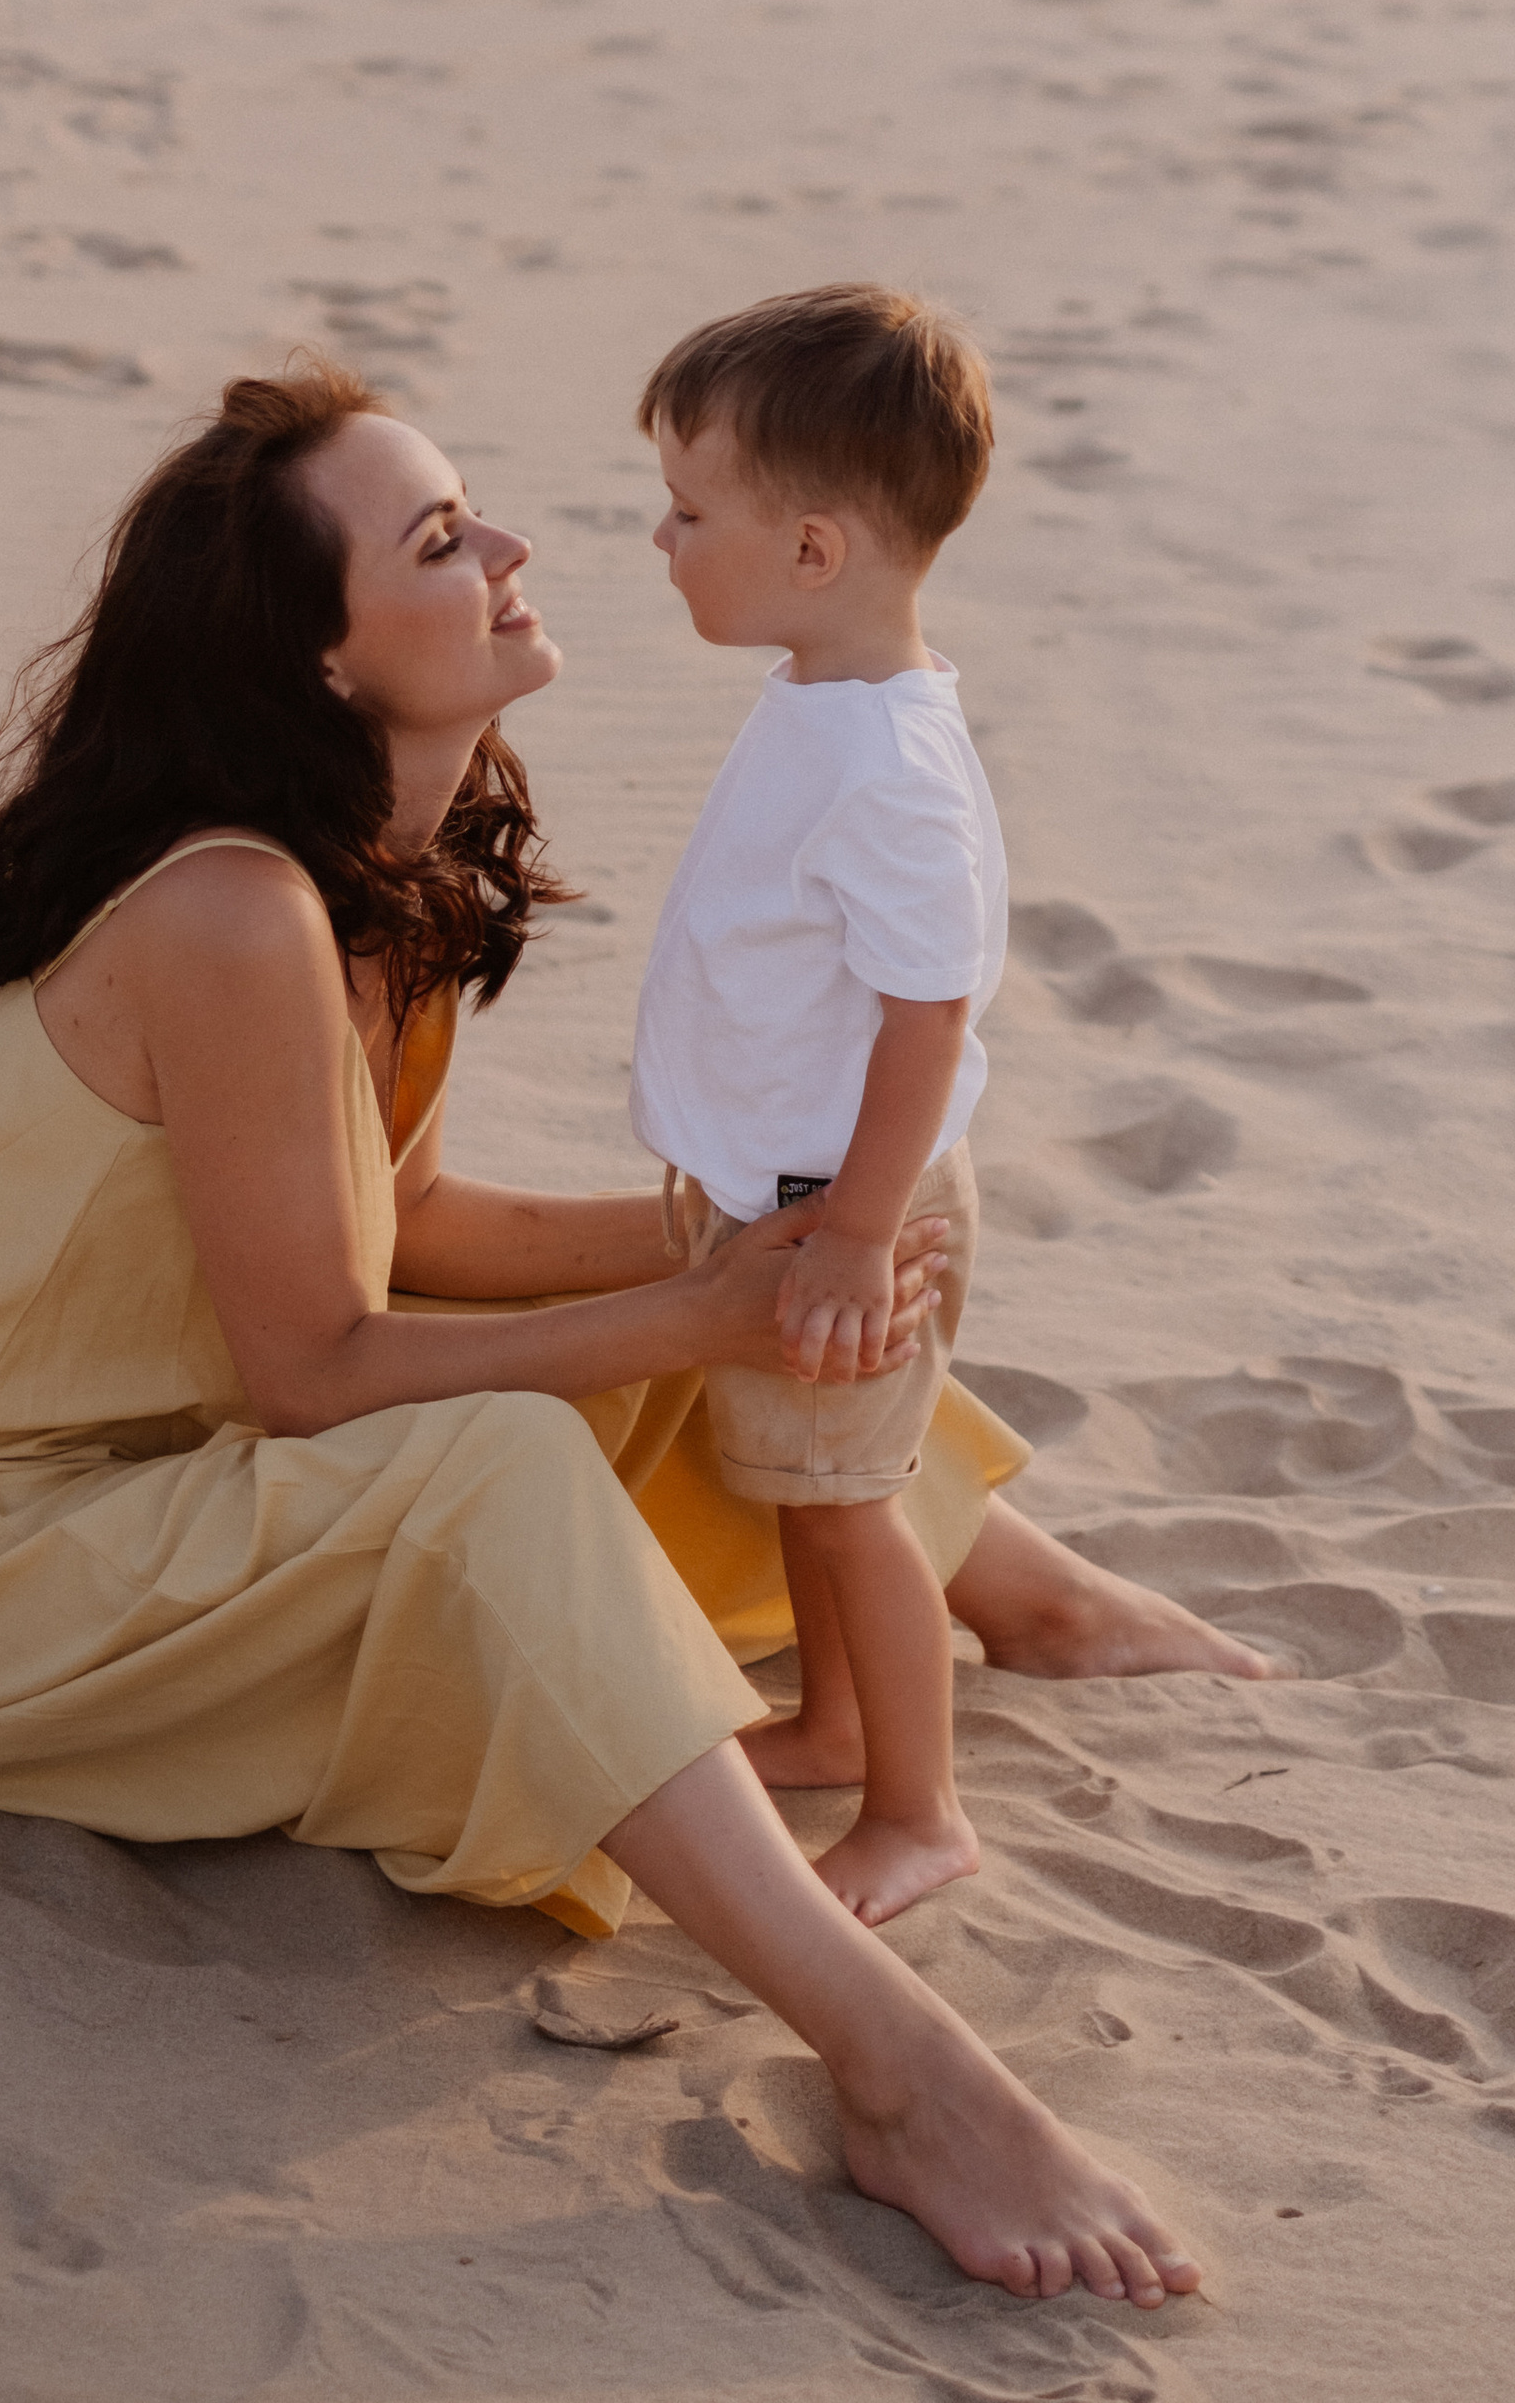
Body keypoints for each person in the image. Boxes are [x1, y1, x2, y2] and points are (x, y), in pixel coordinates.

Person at [0, 360, 1256, 2303]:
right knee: (518, 1442)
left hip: (155, 1466)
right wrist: (691, 1298)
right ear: (321, 656)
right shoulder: (227, 914)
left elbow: (414, 1226)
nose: (514, 547)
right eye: (441, 540)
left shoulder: (383, 872)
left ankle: (1025, 1595)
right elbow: (319, 1372)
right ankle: (900, 2073)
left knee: (715, 1284)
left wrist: (737, 1260)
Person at [633, 286, 1007, 1928]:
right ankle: (838, 1725)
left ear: (810, 550)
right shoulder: (823, 701)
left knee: (855, 1507)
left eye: (687, 512)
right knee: (802, 1480)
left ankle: (920, 1811)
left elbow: (931, 1015)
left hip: (846, 1202)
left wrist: (857, 1233)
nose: (661, 540)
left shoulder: (890, 767)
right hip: (784, 1191)